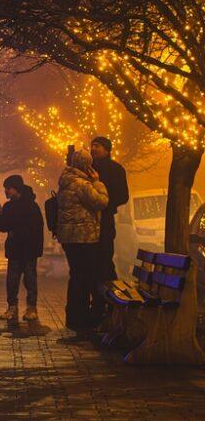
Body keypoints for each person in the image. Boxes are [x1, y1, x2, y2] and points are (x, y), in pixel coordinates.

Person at [56, 148, 109, 333]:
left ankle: (74, 316)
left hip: (70, 238)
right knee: (84, 278)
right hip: (83, 237)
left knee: (76, 277)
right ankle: (81, 318)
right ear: (86, 165)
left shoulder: (66, 181)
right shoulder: (81, 184)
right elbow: (101, 201)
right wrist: (98, 182)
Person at [0, 175, 44, 325]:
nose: (6, 191)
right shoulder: (8, 207)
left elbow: (38, 230)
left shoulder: (31, 206)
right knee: (12, 280)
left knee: (30, 279)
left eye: (8, 188)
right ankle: (12, 307)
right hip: (15, 249)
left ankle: (31, 308)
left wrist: (36, 250)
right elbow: (4, 227)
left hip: (28, 250)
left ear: (16, 188)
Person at [89, 135, 129, 323]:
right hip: (91, 222)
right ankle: (101, 303)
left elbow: (122, 196)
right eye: (92, 146)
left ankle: (108, 302)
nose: (93, 149)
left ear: (107, 149)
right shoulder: (89, 169)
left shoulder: (115, 169)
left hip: (104, 221)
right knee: (96, 263)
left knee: (104, 261)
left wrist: (104, 203)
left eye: (97, 146)